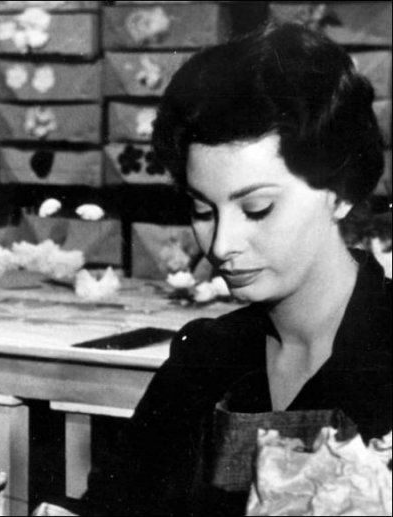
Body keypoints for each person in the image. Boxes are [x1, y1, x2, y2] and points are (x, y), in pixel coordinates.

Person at [83, 23, 391, 515]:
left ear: (341, 193)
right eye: (202, 210)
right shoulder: (205, 358)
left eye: (258, 209)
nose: (222, 245)